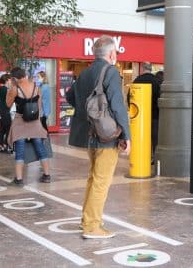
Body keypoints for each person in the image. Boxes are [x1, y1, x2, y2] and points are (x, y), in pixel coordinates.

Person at [66, 35, 130, 239]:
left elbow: (70, 97)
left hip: (89, 135)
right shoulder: (110, 71)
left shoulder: (84, 73)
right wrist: (126, 135)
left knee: (94, 179)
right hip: (105, 136)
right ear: (112, 54)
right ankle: (92, 226)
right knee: (101, 181)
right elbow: (118, 106)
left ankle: (87, 220)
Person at [6, 67, 50, 185]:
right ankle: (46, 175)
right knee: (40, 147)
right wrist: (35, 118)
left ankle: (19, 179)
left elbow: (8, 104)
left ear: (15, 78)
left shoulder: (15, 88)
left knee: (19, 149)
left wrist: (10, 89)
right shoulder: (36, 87)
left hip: (20, 121)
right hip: (34, 121)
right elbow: (39, 105)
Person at [131, 62, 161, 156]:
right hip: (154, 115)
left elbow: (130, 97)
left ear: (142, 69)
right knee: (154, 138)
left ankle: (143, 157)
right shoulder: (156, 81)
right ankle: (154, 157)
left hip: (140, 116)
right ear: (151, 69)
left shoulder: (137, 80)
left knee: (141, 137)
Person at [0, 73, 13, 153]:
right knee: (8, 129)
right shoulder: (5, 90)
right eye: (10, 80)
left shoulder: (0, 89)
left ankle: (0, 145)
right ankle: (7, 145)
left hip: (1, 112)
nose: (11, 82)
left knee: (2, 129)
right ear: (7, 80)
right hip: (5, 112)